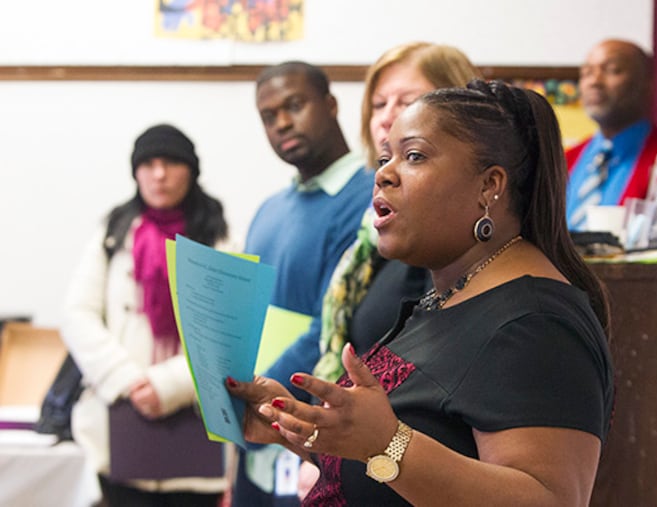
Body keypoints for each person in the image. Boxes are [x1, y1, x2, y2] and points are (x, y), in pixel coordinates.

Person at [226, 79, 615, 506]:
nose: (383, 174)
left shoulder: (535, 322)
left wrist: (388, 443)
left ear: (490, 186)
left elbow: (550, 500)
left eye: (413, 156)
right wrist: (295, 422)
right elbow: (395, 468)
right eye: (384, 157)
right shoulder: (447, 298)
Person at [62, 124, 230, 506]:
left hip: (194, 428)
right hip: (120, 422)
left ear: (191, 170)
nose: (158, 175)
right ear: (135, 172)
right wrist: (129, 381)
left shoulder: (218, 235)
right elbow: (77, 314)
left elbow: (227, 333)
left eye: (170, 163)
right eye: (148, 164)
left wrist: (168, 385)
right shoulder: (114, 230)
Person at [232, 61, 375, 507]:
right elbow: (245, 317)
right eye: (269, 116)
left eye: (294, 105)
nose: (282, 123)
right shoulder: (269, 209)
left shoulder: (371, 198)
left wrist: (252, 394)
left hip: (314, 434)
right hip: (254, 435)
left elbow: (332, 323)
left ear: (331, 105)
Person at [565, 39, 657, 231]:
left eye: (612, 70)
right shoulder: (567, 159)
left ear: (646, 84)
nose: (594, 81)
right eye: (587, 73)